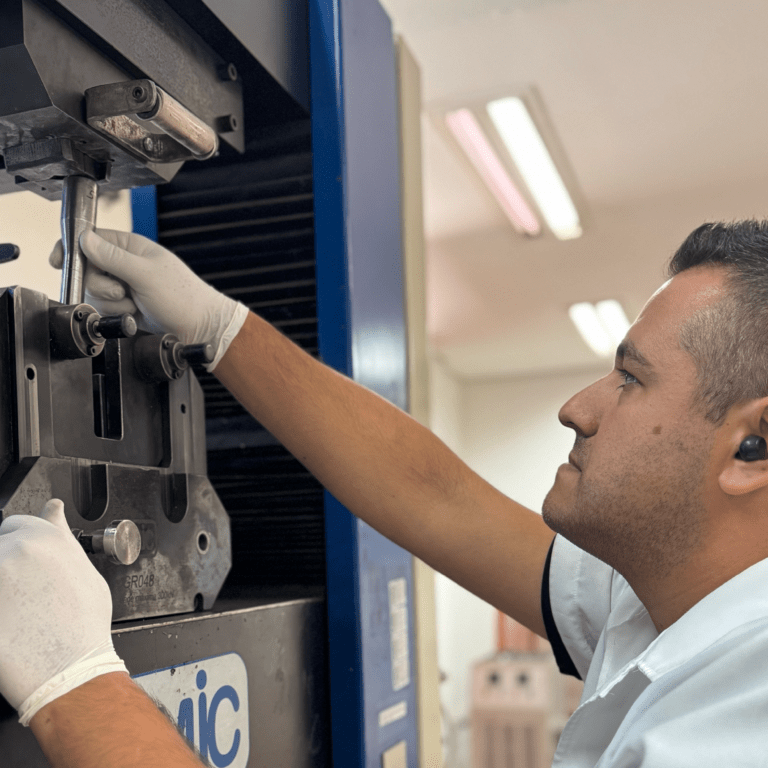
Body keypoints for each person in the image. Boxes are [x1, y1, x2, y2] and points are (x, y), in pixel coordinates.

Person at [4, 219, 768, 766]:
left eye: (631, 378)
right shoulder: (664, 596)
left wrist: (74, 684)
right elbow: (440, 499)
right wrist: (218, 325)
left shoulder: (736, 729)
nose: (578, 408)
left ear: (752, 446)